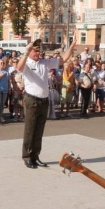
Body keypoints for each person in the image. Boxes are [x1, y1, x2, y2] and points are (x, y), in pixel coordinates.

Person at [17, 38, 75, 168]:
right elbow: (19, 67)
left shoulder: (44, 62)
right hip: (32, 99)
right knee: (30, 130)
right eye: (36, 51)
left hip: (43, 100)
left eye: (39, 51)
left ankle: (35, 155)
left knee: (39, 131)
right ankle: (27, 156)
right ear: (30, 52)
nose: (39, 54)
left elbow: (63, 59)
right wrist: (26, 52)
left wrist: (72, 45)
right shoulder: (27, 63)